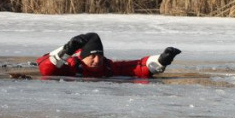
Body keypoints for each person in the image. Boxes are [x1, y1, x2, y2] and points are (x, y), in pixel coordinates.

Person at [37, 32, 181, 78]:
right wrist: (67, 50)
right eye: (92, 56)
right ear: (82, 56)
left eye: (99, 55)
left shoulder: (108, 67)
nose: (97, 59)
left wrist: (161, 60)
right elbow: (46, 70)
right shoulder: (71, 66)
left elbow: (136, 67)